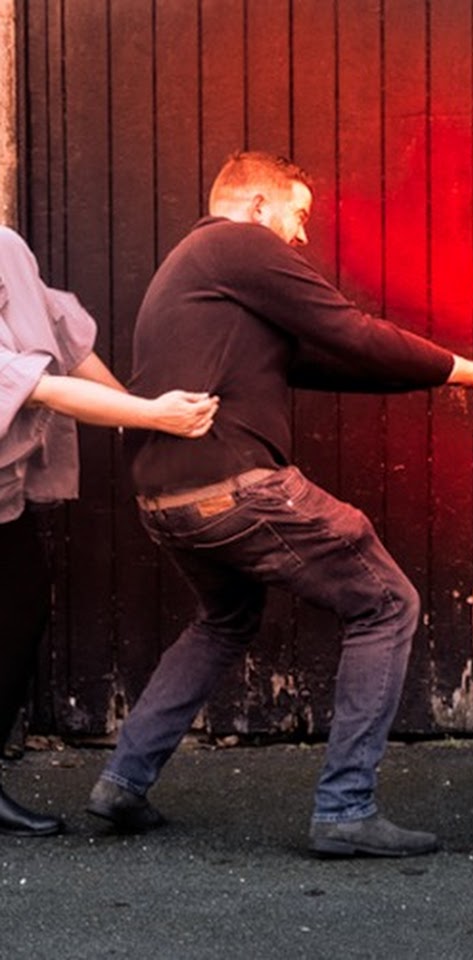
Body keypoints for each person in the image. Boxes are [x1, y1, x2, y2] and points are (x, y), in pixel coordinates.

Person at [85, 151, 473, 858]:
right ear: (258, 206)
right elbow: (349, 328)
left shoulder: (198, 273)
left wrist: (450, 380)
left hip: (167, 499)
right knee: (387, 603)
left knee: (226, 620)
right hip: (237, 489)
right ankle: (346, 809)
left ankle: (122, 783)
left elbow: (330, 359)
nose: (301, 235)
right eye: (298, 215)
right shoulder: (236, 243)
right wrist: (468, 369)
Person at [1, 225, 218, 837]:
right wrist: (151, 414)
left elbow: (64, 340)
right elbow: (36, 387)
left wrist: (135, 417)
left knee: (21, 607)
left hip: (3, 491)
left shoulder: (6, 247)